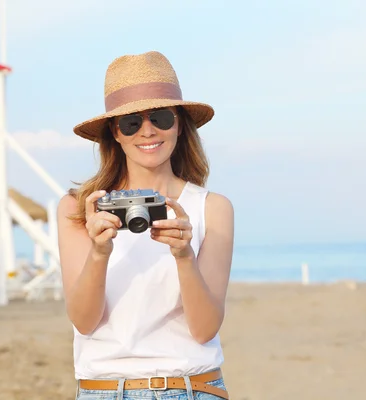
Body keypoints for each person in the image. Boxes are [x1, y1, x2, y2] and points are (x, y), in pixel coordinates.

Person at [57, 50, 234, 400]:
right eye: (131, 123)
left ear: (180, 123)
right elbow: (83, 321)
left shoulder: (211, 208)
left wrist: (184, 256)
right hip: (103, 389)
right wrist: (98, 253)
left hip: (191, 387)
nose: (148, 131)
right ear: (115, 133)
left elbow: (204, 329)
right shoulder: (81, 209)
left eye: (161, 118)